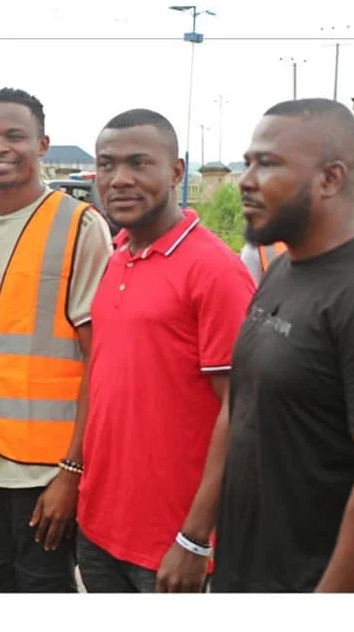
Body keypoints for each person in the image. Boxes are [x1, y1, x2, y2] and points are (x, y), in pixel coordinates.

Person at [212, 98, 354, 593]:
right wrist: (196, 535)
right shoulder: (283, 268)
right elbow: (242, 406)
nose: (245, 180)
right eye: (248, 162)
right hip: (250, 572)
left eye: (268, 164)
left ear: (330, 178)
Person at [0, 88, 112, 593]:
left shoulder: (80, 227)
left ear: (42, 144)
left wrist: (73, 471)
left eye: (14, 136)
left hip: (47, 470)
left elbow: (101, 359)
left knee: (43, 590)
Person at [76, 109, 256, 593]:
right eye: (107, 164)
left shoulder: (214, 271)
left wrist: (195, 539)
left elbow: (242, 410)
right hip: (100, 532)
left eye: (138, 163)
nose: (119, 179)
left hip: (173, 546)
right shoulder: (117, 258)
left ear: (177, 172)